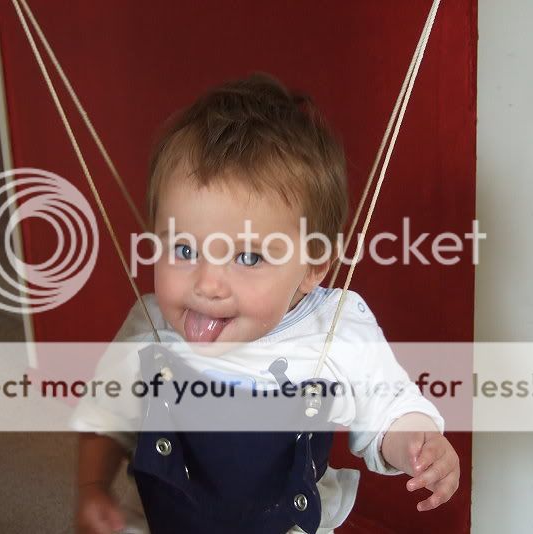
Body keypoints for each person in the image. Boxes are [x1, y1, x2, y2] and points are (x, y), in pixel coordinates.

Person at [72, 73, 460, 534]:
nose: (207, 285)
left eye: (248, 257)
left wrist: (418, 442)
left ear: (313, 267)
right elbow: (107, 414)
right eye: (184, 249)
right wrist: (93, 487)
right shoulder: (150, 326)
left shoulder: (332, 329)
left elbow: (388, 408)